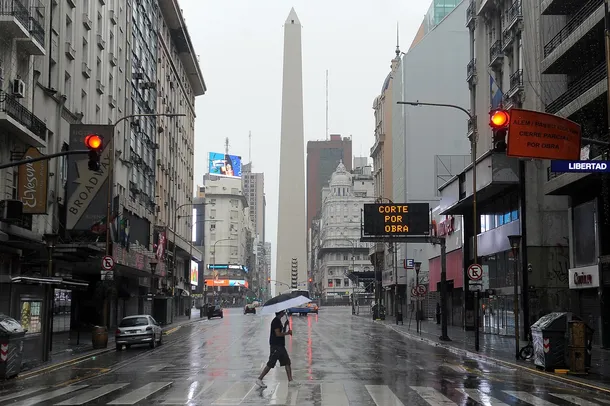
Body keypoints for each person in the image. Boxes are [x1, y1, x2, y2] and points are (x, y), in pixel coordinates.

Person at [256, 310, 294, 388]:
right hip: (276, 346)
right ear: (280, 313)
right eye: (283, 311)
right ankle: (259, 379)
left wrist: (285, 326)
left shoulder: (278, 321)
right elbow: (278, 334)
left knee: (287, 362)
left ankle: (290, 381)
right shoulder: (275, 321)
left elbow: (280, 332)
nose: (284, 313)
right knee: (271, 363)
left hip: (280, 346)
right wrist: (288, 333)